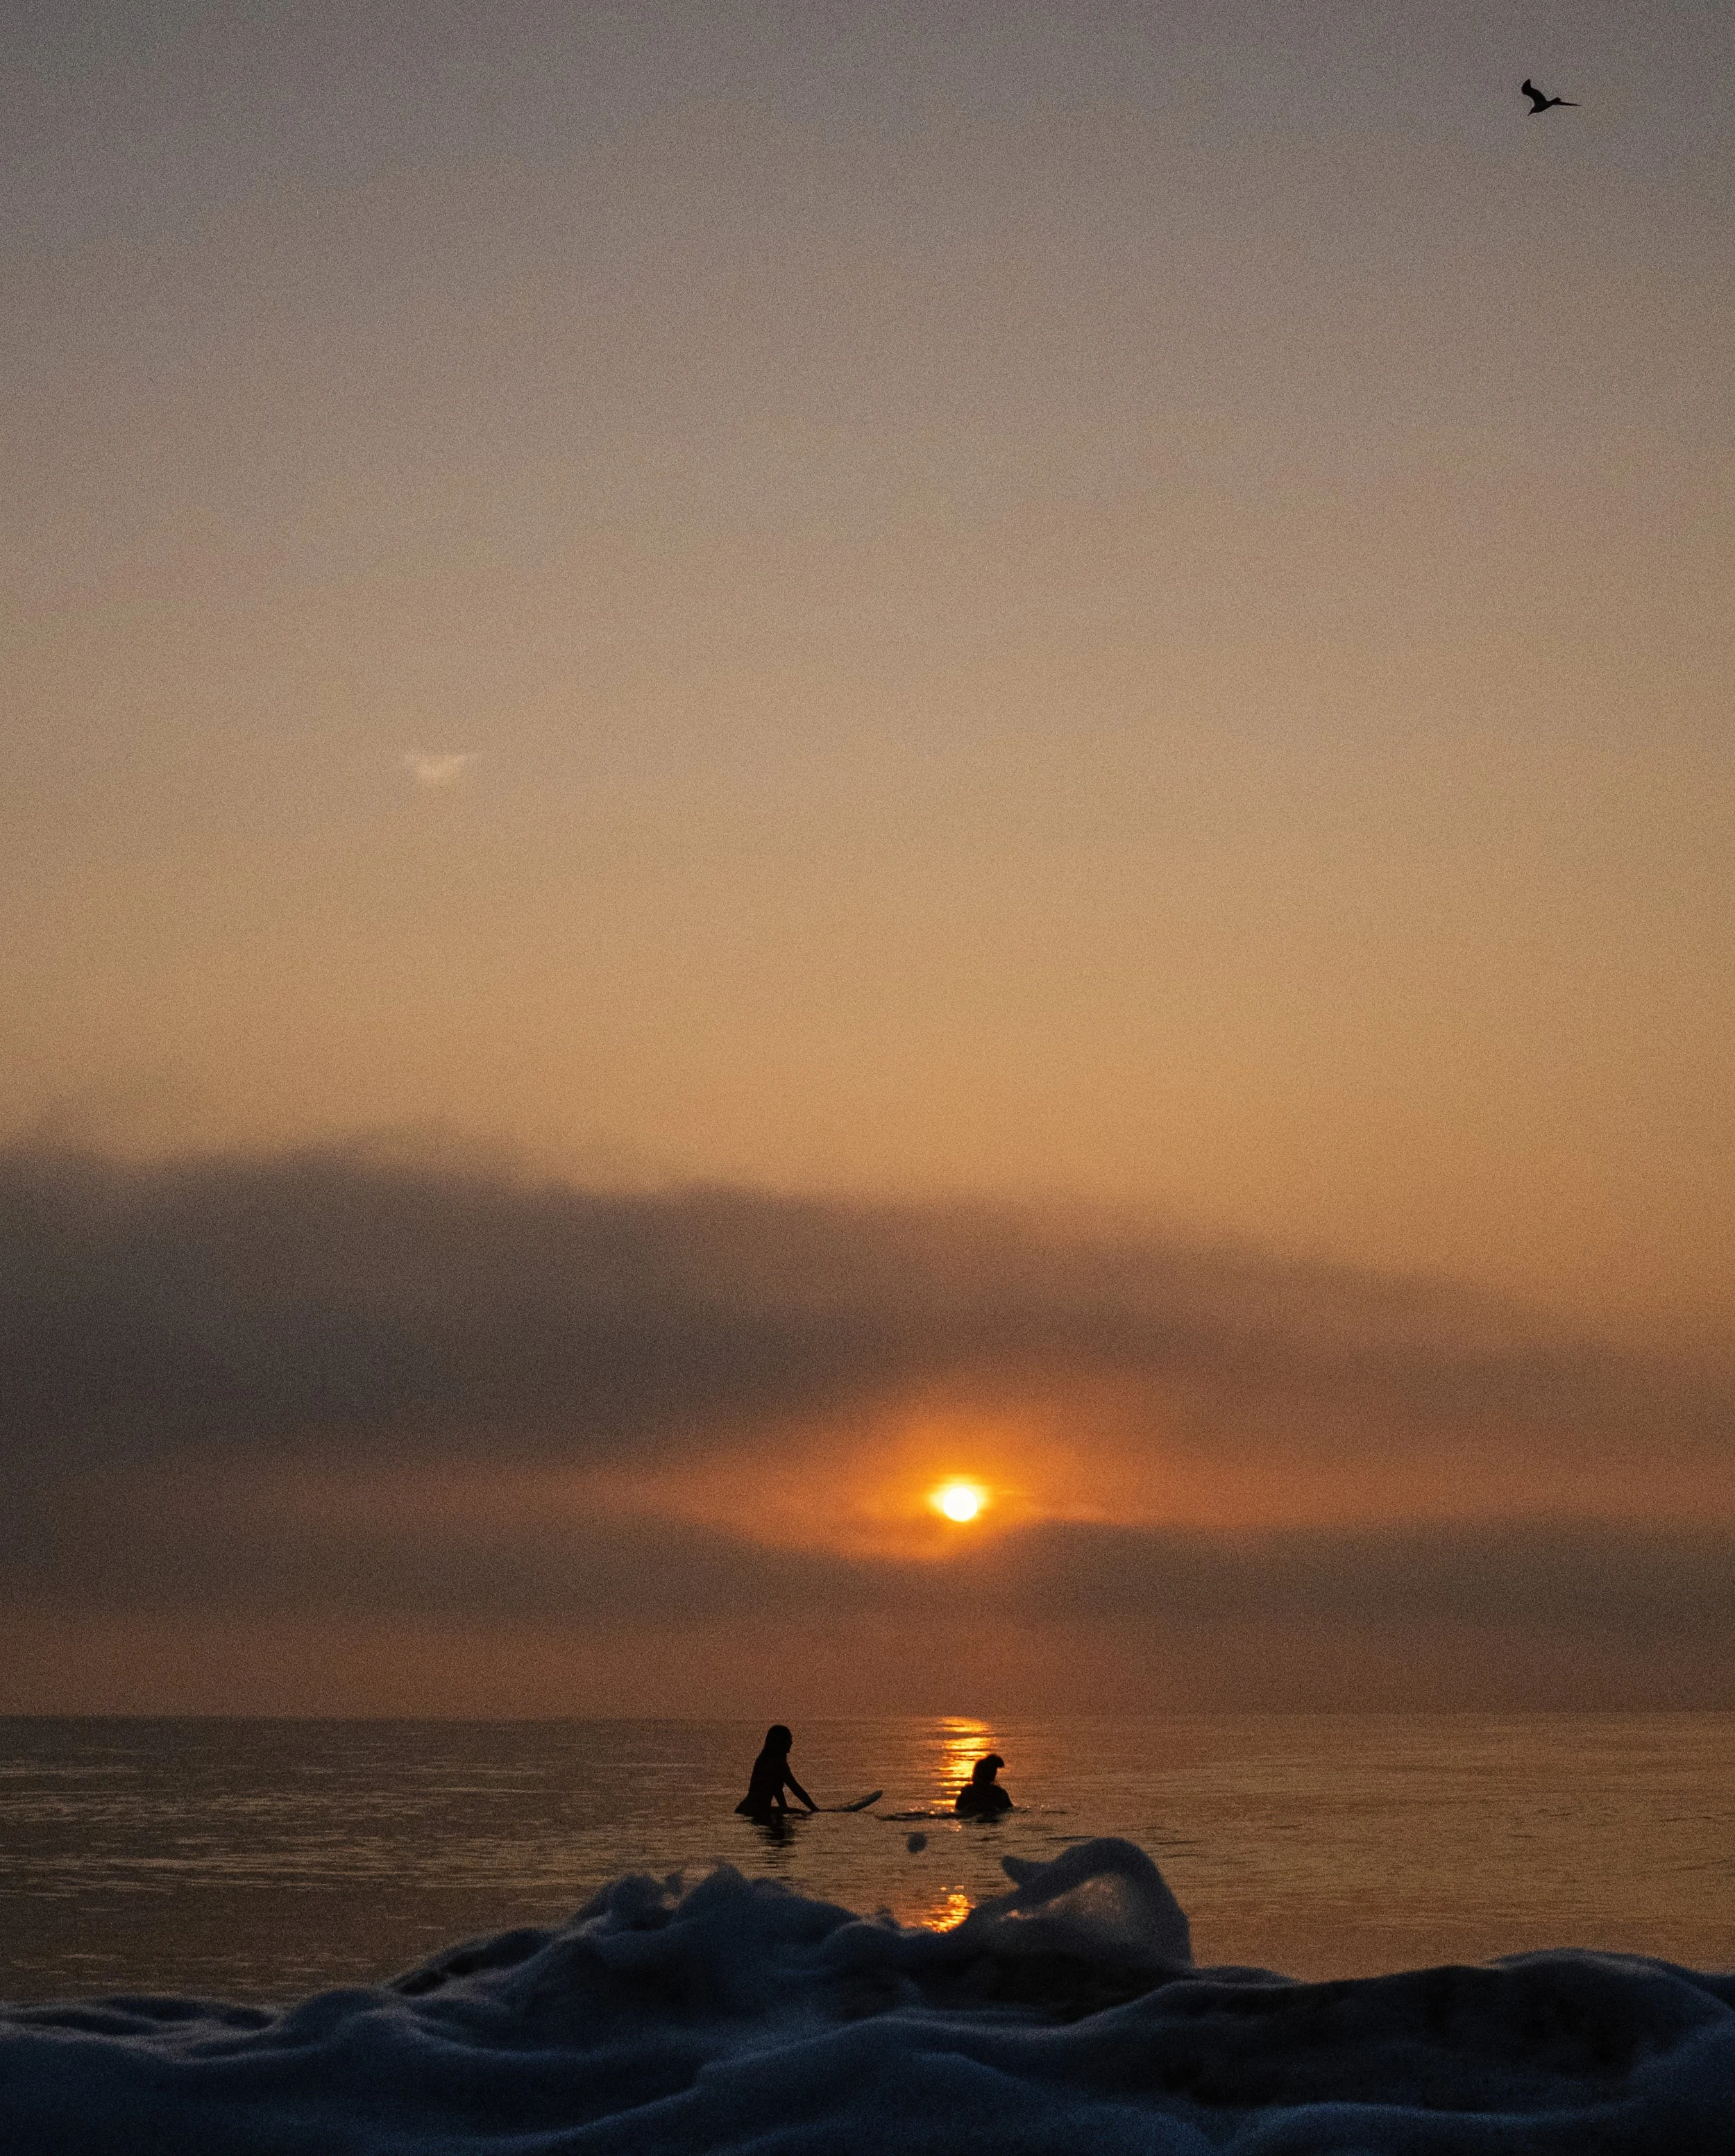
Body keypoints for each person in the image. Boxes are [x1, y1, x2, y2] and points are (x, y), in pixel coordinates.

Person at [736, 1724, 817, 1820]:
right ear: (780, 1742)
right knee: (803, 1815)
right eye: (788, 1739)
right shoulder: (776, 1762)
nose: (791, 1742)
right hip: (755, 1810)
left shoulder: (767, 1757)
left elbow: (777, 1790)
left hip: (748, 1809)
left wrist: (785, 1809)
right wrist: (815, 1810)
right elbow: (795, 1788)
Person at [955, 1752, 1011, 1817]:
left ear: (975, 1773)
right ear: (993, 1775)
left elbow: (958, 1809)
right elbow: (1009, 1810)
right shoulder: (999, 1794)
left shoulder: (967, 1792)